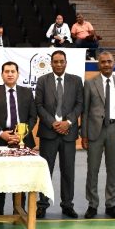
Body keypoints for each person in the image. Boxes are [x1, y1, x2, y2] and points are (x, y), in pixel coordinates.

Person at [0, 61, 37, 215]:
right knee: (0, 176)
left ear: (18, 74)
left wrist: (22, 134)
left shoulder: (27, 92)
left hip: (23, 139)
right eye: (7, 71)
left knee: (21, 176)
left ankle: (19, 209)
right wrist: (2, 134)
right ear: (2, 75)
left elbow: (33, 117)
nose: (10, 74)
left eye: (13, 71)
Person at [34, 50, 83, 218]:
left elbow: (79, 104)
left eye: (61, 61)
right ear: (51, 63)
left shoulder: (76, 81)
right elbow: (38, 105)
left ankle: (67, 205)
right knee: (45, 171)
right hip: (48, 133)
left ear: (66, 62)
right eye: (55, 61)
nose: (59, 64)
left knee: (68, 171)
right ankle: (42, 205)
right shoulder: (42, 80)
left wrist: (67, 122)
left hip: (69, 133)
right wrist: (53, 123)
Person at [80, 52, 115, 219]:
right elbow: (85, 111)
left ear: (114, 64)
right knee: (92, 170)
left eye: (109, 61)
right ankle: (92, 204)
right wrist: (84, 134)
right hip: (94, 131)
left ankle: (111, 204)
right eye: (103, 62)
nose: (106, 64)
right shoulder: (89, 83)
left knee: (113, 169)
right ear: (98, 64)